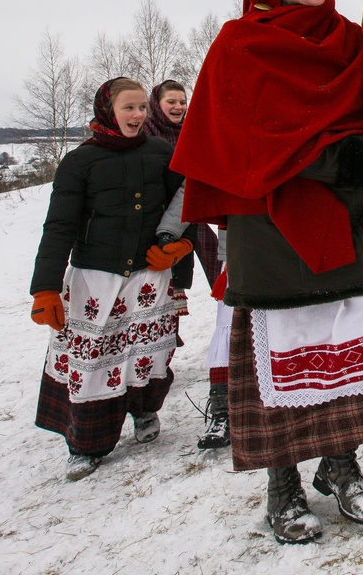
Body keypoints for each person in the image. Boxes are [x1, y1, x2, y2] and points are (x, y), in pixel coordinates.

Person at [172, 0, 363, 544]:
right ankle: (283, 483)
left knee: (348, 361)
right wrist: (337, 158)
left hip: (357, 225)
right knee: (285, 367)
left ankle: (341, 466)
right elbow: (241, 141)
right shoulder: (241, 44)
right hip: (277, 234)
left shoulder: (356, 40)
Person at [30, 77, 188, 481]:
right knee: (93, 359)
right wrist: (45, 287)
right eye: (128, 108)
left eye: (141, 109)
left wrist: (179, 254)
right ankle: (86, 443)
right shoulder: (80, 162)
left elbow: (183, 204)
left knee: (146, 351)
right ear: (107, 111)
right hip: (95, 281)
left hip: (150, 276)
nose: (137, 116)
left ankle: (145, 411)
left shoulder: (159, 152)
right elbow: (59, 226)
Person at [141, 79, 229, 450]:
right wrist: (166, 234)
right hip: (240, 246)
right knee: (229, 324)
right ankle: (223, 409)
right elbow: (191, 183)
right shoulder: (219, 136)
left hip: (291, 246)